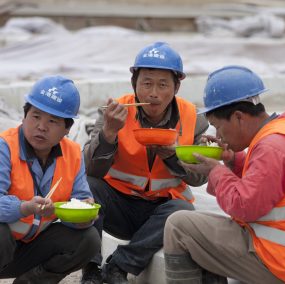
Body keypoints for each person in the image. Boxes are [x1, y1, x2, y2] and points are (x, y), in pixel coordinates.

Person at [163, 65, 285, 284]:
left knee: (178, 226)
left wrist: (216, 171)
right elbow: (269, 183)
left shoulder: (271, 147)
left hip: (280, 264)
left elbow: (244, 206)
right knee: (202, 233)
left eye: (217, 126)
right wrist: (233, 160)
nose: (217, 134)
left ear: (238, 117)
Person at [81, 41, 209, 284]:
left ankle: (119, 265)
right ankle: (91, 270)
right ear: (134, 84)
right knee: (88, 186)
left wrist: (172, 156)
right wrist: (108, 133)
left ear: (176, 86)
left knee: (183, 210)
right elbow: (90, 169)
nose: (153, 93)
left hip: (161, 210)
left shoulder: (193, 119)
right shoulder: (115, 111)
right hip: (118, 204)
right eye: (146, 83)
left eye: (163, 85)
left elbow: (200, 177)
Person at [0, 75, 100, 283]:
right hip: (4, 246)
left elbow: (81, 200)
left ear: (67, 129)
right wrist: (25, 207)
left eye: (52, 121)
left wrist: (82, 213)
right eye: (36, 116)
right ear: (24, 116)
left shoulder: (72, 153)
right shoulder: (5, 147)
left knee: (88, 239)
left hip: (30, 250)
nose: (41, 127)